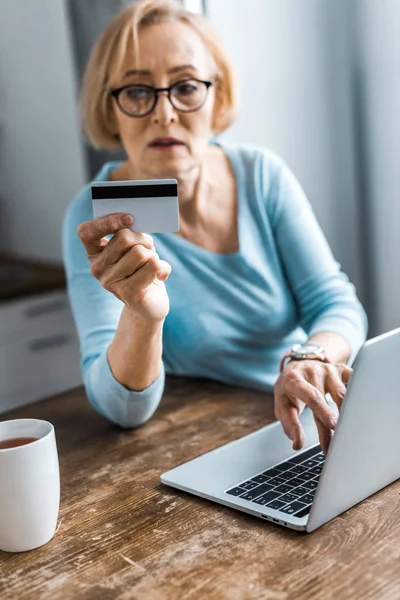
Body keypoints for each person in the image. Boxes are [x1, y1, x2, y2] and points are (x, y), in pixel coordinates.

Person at [63, 0, 367, 454]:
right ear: (111, 109)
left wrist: (308, 358)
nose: (164, 114)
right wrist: (143, 317)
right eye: (138, 92)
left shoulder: (261, 175)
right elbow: (123, 409)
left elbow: (336, 303)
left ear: (217, 97)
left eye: (185, 86)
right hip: (207, 436)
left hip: (302, 412)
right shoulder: (94, 218)